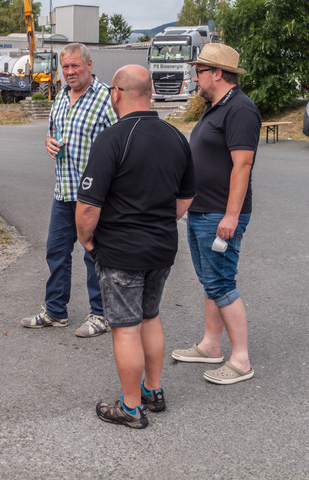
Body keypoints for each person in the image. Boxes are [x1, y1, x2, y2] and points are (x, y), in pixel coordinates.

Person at [76, 65, 196, 428]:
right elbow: (186, 197)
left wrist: (87, 239)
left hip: (121, 250)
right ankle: (153, 391)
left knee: (125, 327)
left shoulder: (112, 139)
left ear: (116, 93)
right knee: (150, 317)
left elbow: (88, 207)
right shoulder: (176, 137)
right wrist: (157, 221)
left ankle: (130, 408)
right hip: (161, 247)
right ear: (151, 93)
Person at [171, 43, 261, 385]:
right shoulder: (216, 106)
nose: (195, 78)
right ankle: (211, 345)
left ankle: (241, 360)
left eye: (199, 72)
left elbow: (243, 165)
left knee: (222, 282)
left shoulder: (240, 109)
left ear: (217, 73)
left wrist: (231, 215)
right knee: (211, 282)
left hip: (220, 215)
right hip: (202, 210)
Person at [21, 43, 117, 338]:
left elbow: (121, 142)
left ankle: (101, 314)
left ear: (89, 65)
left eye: (76, 66)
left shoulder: (105, 98)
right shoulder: (61, 98)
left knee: (94, 255)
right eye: (65, 67)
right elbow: (54, 134)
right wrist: (49, 143)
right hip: (63, 190)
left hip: (94, 195)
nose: (70, 72)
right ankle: (55, 311)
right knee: (56, 251)